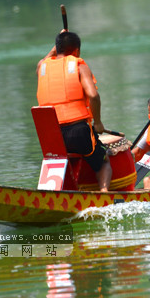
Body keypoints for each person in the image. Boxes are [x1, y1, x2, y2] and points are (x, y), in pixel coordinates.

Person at [36, 30, 112, 191]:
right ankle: (105, 193)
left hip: (51, 136)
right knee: (103, 161)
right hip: (77, 131)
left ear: (57, 48)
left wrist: (59, 42)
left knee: (60, 158)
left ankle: (54, 192)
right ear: (77, 51)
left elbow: (45, 59)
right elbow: (93, 95)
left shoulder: (42, 67)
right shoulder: (78, 65)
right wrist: (98, 122)